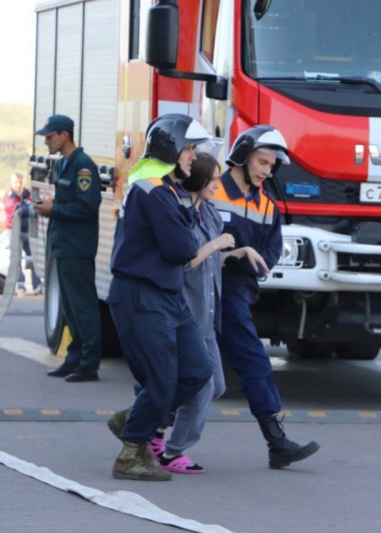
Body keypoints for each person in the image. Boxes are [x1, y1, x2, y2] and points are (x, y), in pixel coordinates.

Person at [105, 114, 214, 481]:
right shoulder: (154, 190)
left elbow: (185, 242)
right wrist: (191, 232)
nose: (193, 158)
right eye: (189, 149)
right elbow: (182, 247)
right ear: (171, 150)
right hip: (142, 295)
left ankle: (135, 419)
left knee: (198, 370)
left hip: (166, 295)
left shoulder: (168, 191)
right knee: (162, 382)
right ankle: (131, 455)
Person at [211, 126, 320, 469]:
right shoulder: (210, 190)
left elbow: (271, 250)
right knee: (237, 364)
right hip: (205, 287)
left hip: (237, 292)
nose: (266, 171)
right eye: (261, 162)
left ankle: (137, 427)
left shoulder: (267, 205)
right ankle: (276, 442)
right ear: (242, 156)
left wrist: (252, 261)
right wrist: (237, 256)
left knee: (206, 369)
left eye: (271, 166)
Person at [147, 152, 235, 474]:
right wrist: (217, 244)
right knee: (203, 386)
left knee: (218, 386)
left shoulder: (210, 214)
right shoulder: (180, 212)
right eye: (212, 179)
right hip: (187, 314)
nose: (217, 184)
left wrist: (242, 252)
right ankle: (171, 451)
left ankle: (149, 421)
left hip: (208, 316)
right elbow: (185, 260)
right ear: (197, 180)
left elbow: (215, 260)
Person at [34, 115, 102, 383]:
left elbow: (87, 206)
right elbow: (69, 201)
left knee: (83, 306)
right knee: (71, 308)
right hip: (63, 245)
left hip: (78, 247)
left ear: (64, 135)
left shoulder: (83, 166)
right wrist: (51, 205)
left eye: (50, 136)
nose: (47, 141)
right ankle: (74, 357)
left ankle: (89, 363)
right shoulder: (63, 164)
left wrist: (55, 209)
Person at [3, 172, 43, 296]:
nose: (19, 185)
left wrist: (28, 206)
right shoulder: (8, 196)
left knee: (32, 258)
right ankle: (20, 284)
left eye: (20, 182)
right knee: (17, 259)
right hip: (14, 231)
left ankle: (37, 284)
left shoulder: (29, 194)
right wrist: (27, 206)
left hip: (28, 230)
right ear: (12, 183)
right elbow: (14, 210)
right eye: (16, 182)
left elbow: (36, 206)